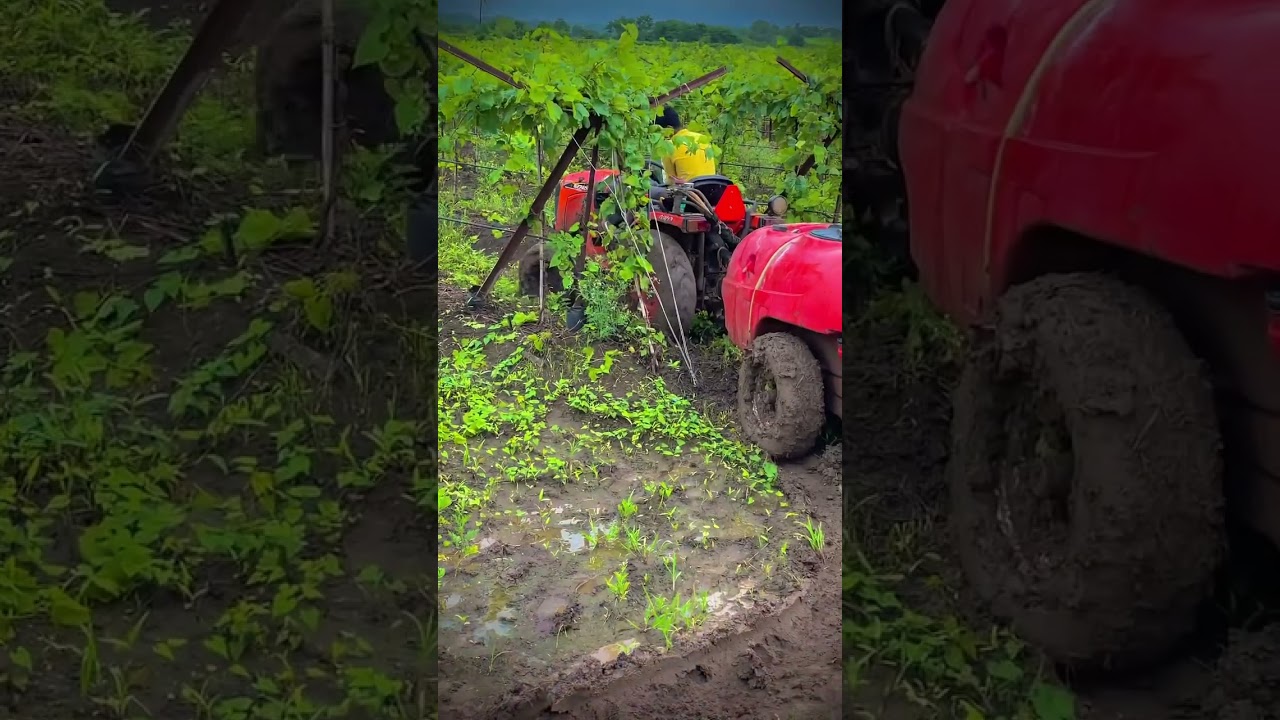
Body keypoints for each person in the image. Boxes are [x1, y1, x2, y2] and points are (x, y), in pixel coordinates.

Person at [655, 107, 716, 183]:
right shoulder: (702, 138)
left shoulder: (668, 146)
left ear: (669, 129)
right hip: (713, 188)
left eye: (659, 132)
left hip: (690, 192)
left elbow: (671, 182)